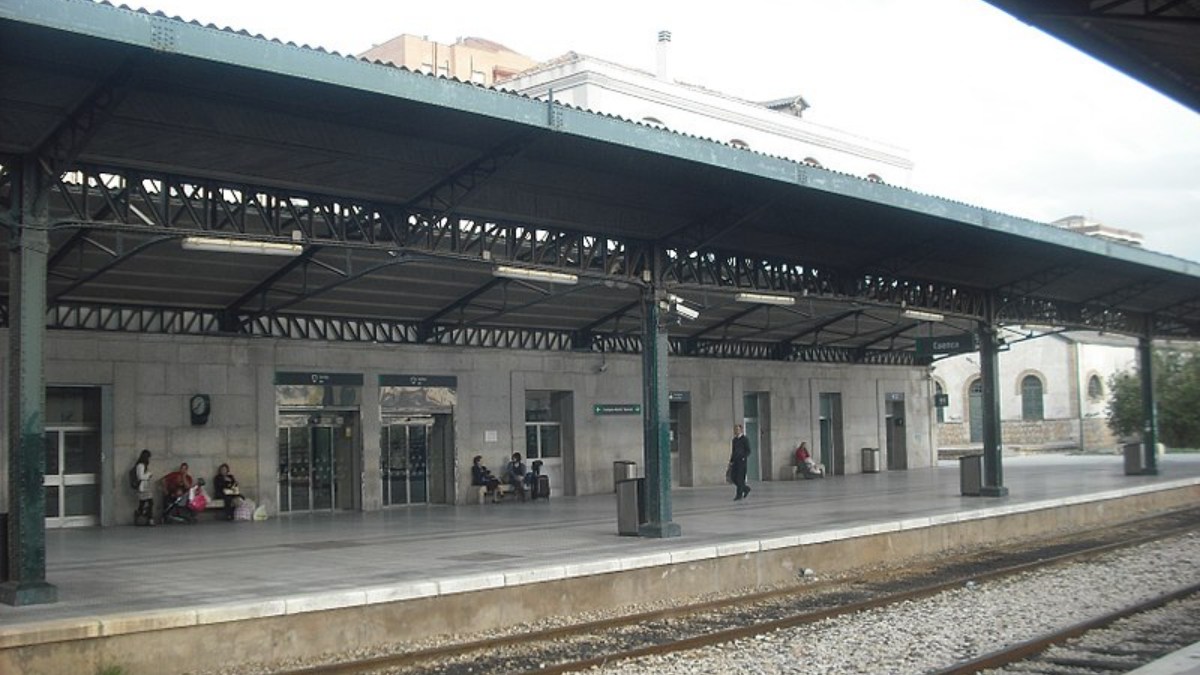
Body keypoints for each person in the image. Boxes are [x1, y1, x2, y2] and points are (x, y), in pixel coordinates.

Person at [729, 424, 751, 501]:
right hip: (735, 461)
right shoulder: (734, 440)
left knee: (740, 478)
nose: (737, 431)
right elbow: (733, 451)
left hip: (742, 462)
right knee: (733, 477)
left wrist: (743, 457)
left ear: (741, 430)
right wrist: (731, 461)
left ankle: (739, 495)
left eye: (738, 429)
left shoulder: (745, 439)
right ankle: (745, 488)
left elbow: (748, 450)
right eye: (736, 430)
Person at [133, 449, 155, 525]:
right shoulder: (140, 465)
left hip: (145, 487)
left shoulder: (142, 465)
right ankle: (149, 519)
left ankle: (141, 516)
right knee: (150, 502)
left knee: (143, 503)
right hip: (143, 487)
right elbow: (140, 476)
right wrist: (148, 475)